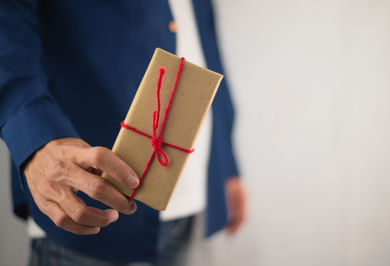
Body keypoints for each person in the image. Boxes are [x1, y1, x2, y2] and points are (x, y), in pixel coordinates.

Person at [0, 0, 246, 265]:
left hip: (198, 194)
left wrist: (228, 164)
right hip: (90, 201)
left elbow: (204, 35)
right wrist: (36, 141)